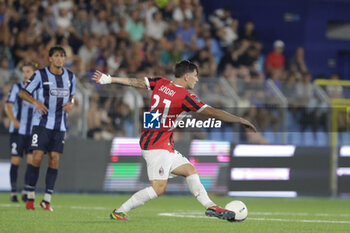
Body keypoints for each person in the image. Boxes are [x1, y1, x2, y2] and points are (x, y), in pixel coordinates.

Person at [92, 60, 256, 221]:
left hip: (157, 141)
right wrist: (240, 120)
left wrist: (109, 79)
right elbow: (213, 112)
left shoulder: (160, 82)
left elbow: (135, 82)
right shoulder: (185, 97)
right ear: (186, 76)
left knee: (190, 170)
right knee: (158, 188)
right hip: (157, 145)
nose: (197, 79)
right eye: (195, 76)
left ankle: (211, 206)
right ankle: (119, 211)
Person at [19, 46, 76, 211]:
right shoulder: (40, 74)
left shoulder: (70, 76)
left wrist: (71, 103)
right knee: (36, 157)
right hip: (41, 124)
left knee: (54, 160)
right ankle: (30, 196)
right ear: (50, 58)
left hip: (60, 126)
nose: (60, 59)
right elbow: (23, 93)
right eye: (57, 56)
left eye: (62, 56)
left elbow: (72, 95)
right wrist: (35, 102)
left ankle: (46, 199)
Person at [5, 61, 38, 202]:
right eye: (23, 71)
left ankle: (26, 189)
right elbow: (8, 105)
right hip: (18, 131)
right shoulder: (17, 87)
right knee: (16, 160)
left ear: (34, 73)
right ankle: (13, 192)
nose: (25, 74)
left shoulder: (38, 89)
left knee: (31, 161)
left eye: (28, 71)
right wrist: (14, 120)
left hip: (32, 131)